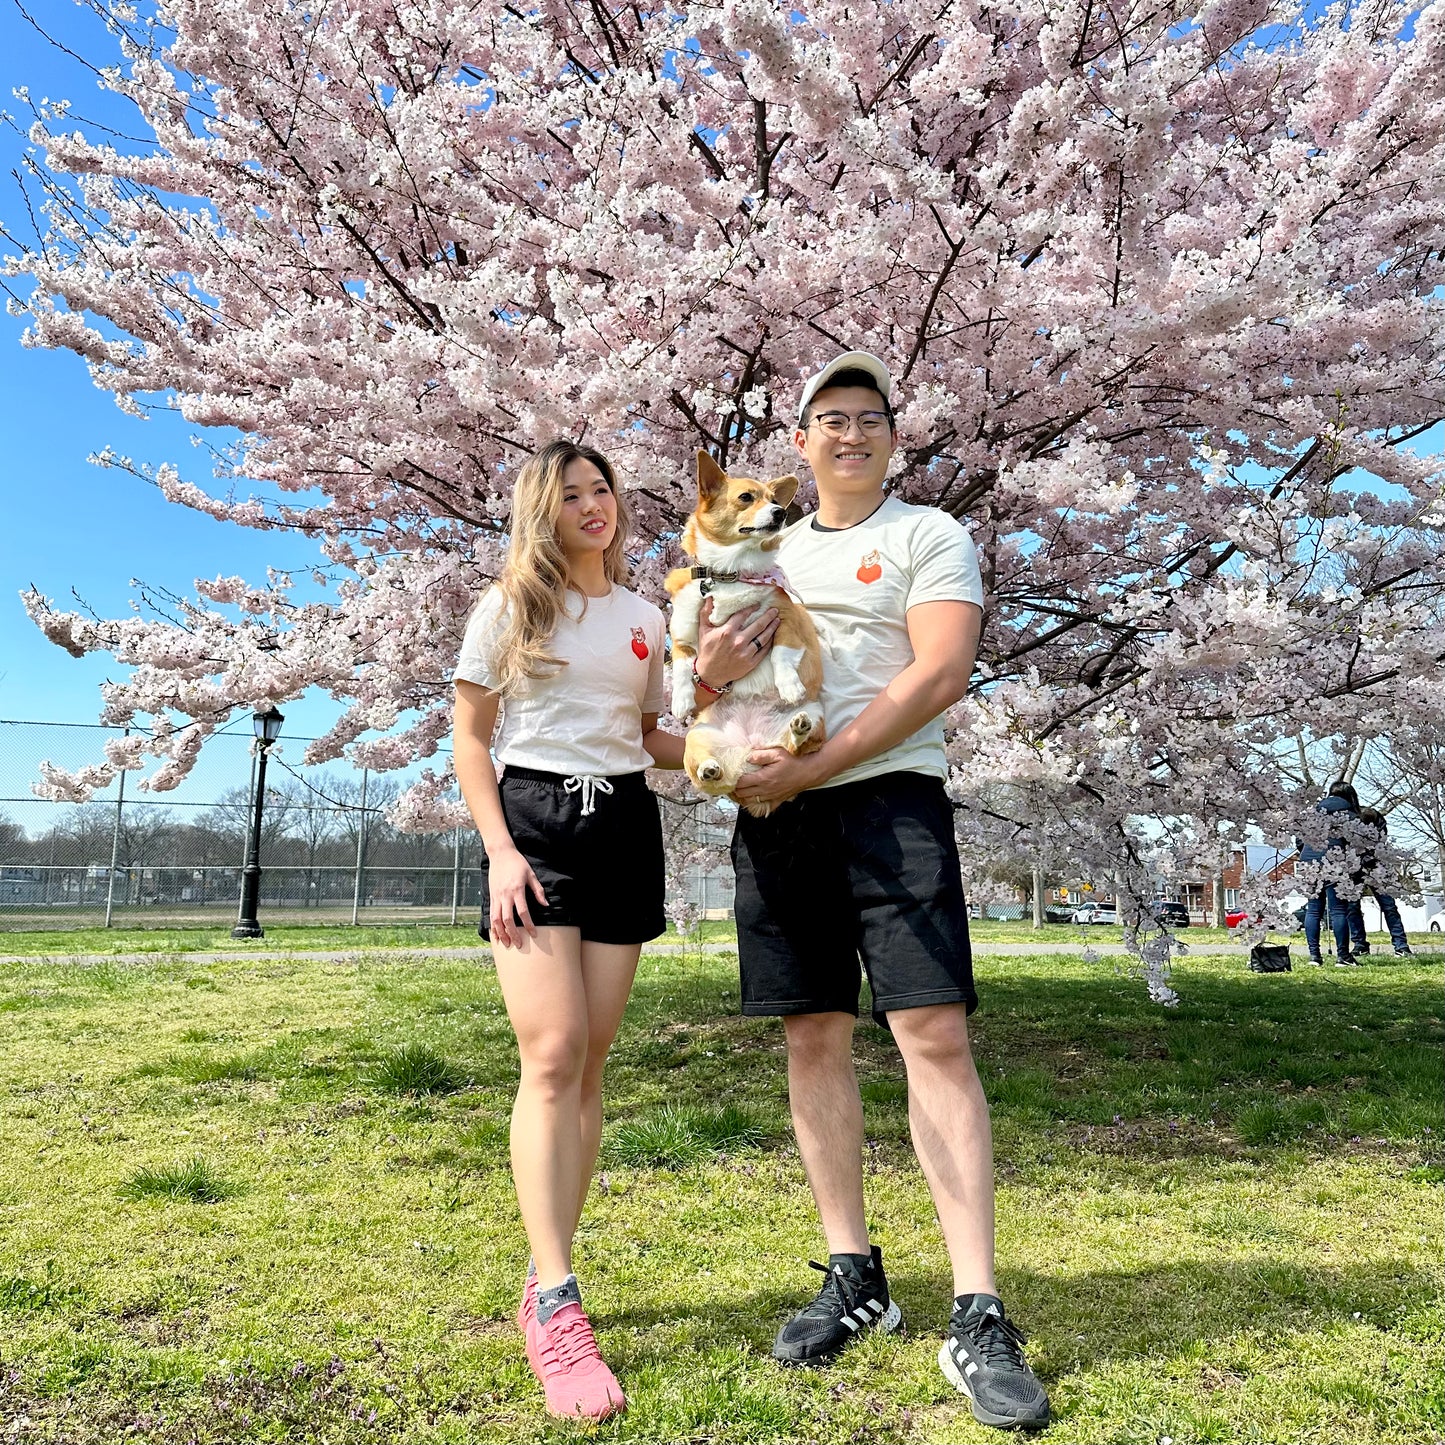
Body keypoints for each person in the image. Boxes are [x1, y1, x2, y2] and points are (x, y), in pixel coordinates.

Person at [697, 351, 1048, 1430]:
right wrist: (709, 669)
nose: (848, 434)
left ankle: (977, 1304)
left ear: (892, 439)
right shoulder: (760, 543)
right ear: (797, 448)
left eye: (868, 418)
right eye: (826, 420)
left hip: (891, 800)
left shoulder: (926, 535)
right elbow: (703, 673)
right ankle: (854, 1274)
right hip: (776, 807)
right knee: (811, 1031)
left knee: (931, 1030)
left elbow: (938, 671)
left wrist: (827, 756)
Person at [451, 438, 775, 1420]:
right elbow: (470, 735)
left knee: (590, 1061)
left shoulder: (646, 614)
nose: (593, 506)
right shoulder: (510, 605)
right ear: (541, 511)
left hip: (625, 825)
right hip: (536, 824)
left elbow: (650, 737)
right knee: (548, 1053)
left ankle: (545, 1262)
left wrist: (724, 752)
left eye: (602, 490)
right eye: (571, 495)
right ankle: (557, 1300)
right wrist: (503, 852)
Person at [1297, 780, 1361, 966]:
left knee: (1313, 909)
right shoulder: (1351, 814)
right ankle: (1343, 956)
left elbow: (1299, 839)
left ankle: (1314, 956)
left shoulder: (1313, 812)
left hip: (1309, 861)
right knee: (1338, 910)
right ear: (1350, 796)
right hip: (1336, 861)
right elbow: (1358, 844)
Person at [1345, 807, 1414, 957]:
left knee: (1388, 906)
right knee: (1352, 906)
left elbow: (1381, 843)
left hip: (1378, 867)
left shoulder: (1380, 824)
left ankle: (1400, 945)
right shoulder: (1350, 822)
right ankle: (1360, 944)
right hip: (1355, 866)